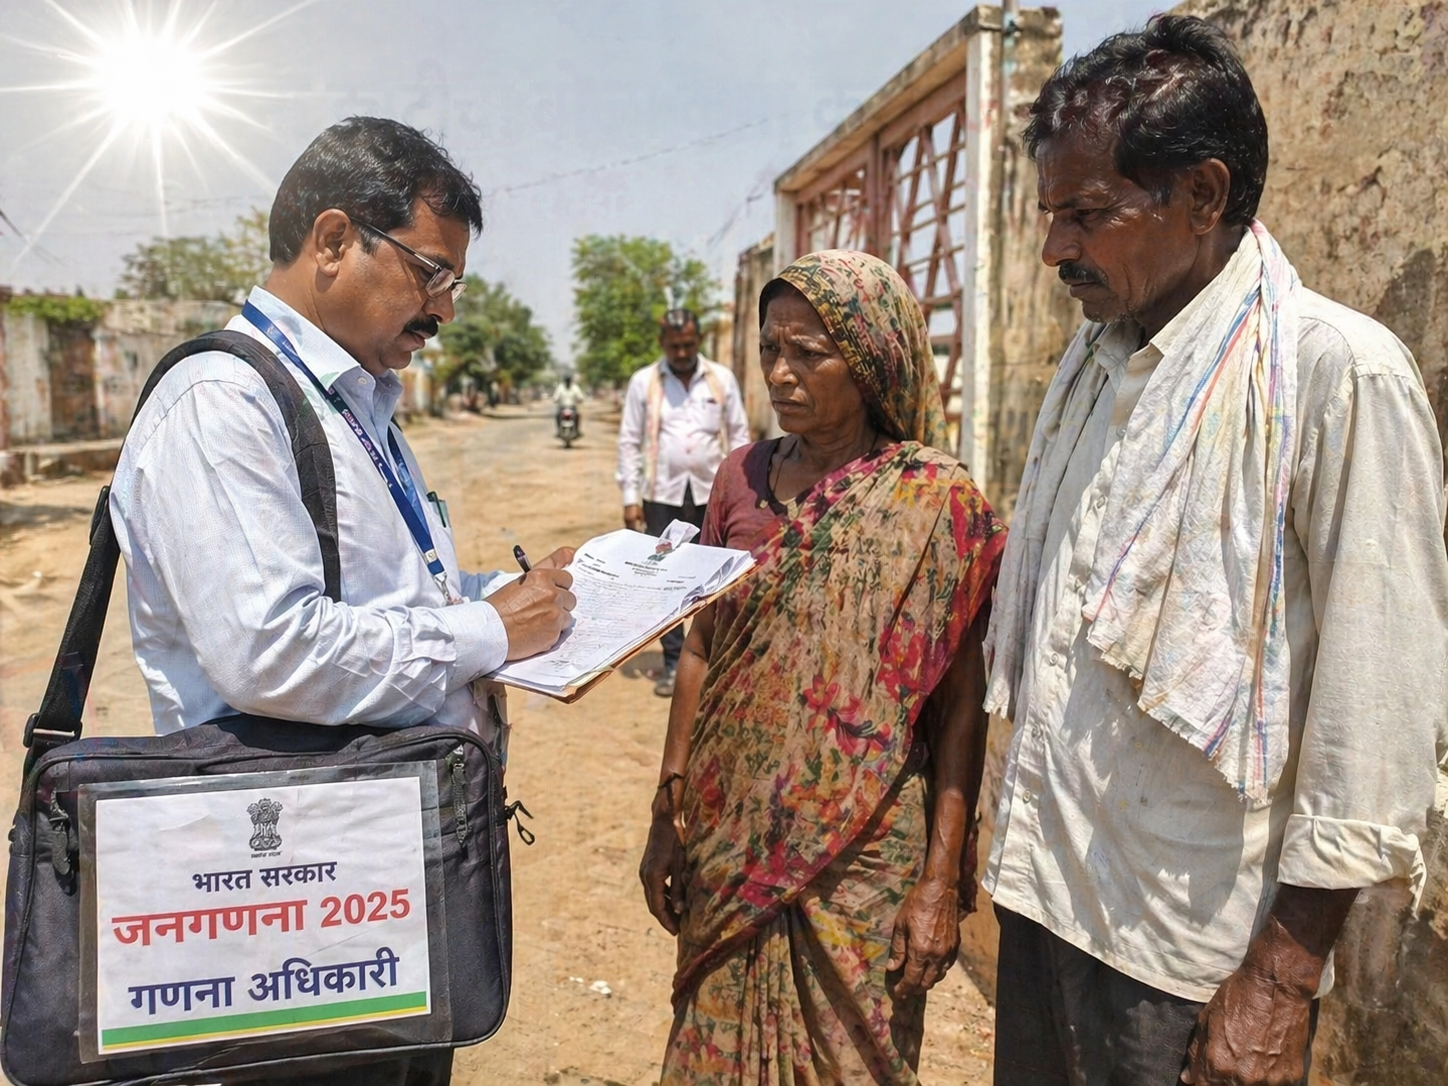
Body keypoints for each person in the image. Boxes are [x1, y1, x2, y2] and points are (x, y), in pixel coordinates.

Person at [980, 17, 1448, 1086]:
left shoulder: (1334, 374)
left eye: (1086, 214)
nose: (1055, 250)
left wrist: (1280, 980)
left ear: (1200, 195)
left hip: (1184, 959)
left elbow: (1375, 706)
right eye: (1050, 216)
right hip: (1046, 898)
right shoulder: (1093, 367)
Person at [109, 117, 578, 1086]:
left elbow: (378, 599)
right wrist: (489, 629)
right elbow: (268, 650)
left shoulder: (347, 401)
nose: (443, 310)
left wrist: (501, 598)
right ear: (331, 242)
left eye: (454, 282)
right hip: (286, 892)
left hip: (370, 876)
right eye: (429, 273)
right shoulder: (223, 405)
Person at [639, 249, 1007, 1085]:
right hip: (729, 835)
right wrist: (668, 806)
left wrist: (940, 882)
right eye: (772, 349)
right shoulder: (738, 477)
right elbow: (701, 645)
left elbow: (960, 707)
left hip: (865, 860)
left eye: (810, 353)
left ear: (872, 358)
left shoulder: (934, 502)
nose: (781, 373)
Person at [616, 307, 750, 696]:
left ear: (699, 340)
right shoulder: (644, 382)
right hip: (662, 495)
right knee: (665, 580)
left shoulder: (721, 380)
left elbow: (739, 434)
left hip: (714, 494)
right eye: (675, 346)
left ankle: (715, 658)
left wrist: (741, 491)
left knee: (717, 576)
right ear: (663, 344)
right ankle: (675, 661)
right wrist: (629, 497)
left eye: (689, 344)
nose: (682, 352)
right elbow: (629, 441)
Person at [553, 371, 585, 435]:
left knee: (578, 415)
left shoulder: (575, 387)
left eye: (569, 380)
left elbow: (580, 396)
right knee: (557, 415)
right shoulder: (560, 387)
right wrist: (555, 399)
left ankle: (577, 430)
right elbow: (556, 397)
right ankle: (559, 430)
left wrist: (580, 399)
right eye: (566, 380)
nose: (568, 382)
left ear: (571, 381)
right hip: (562, 407)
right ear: (564, 381)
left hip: (572, 407)